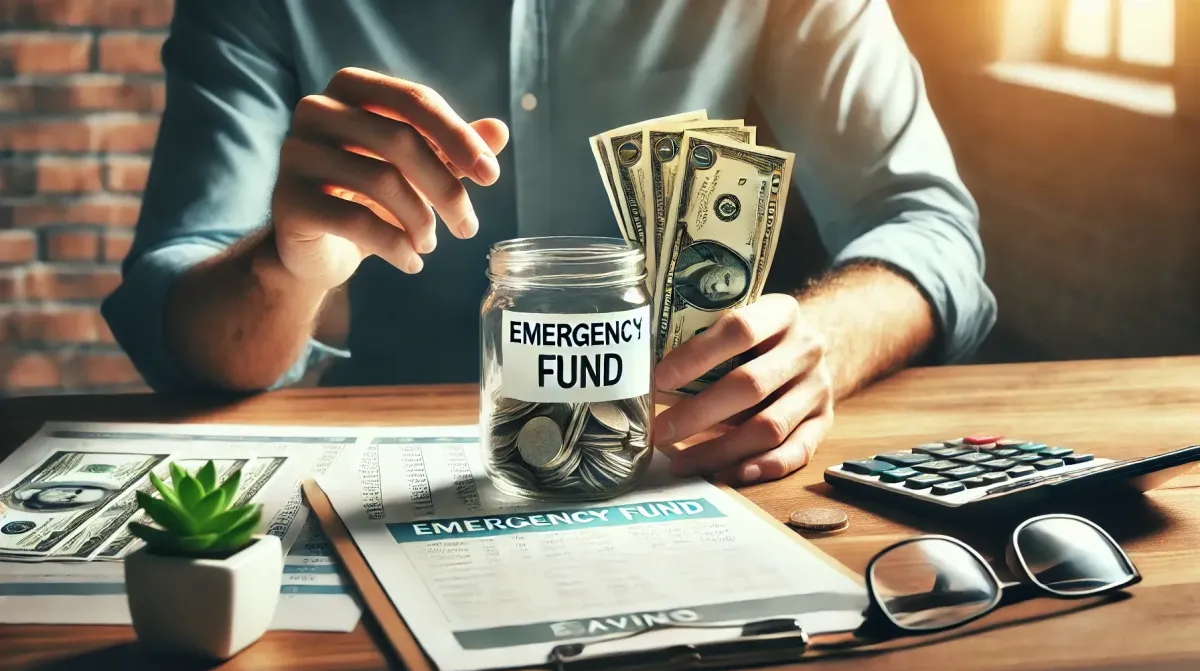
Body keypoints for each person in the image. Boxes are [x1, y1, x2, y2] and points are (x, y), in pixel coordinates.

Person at [101, 0, 997, 486]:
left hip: (677, 463)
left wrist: (817, 345)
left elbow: (928, 227)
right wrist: (284, 262)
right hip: (384, 476)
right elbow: (173, 307)